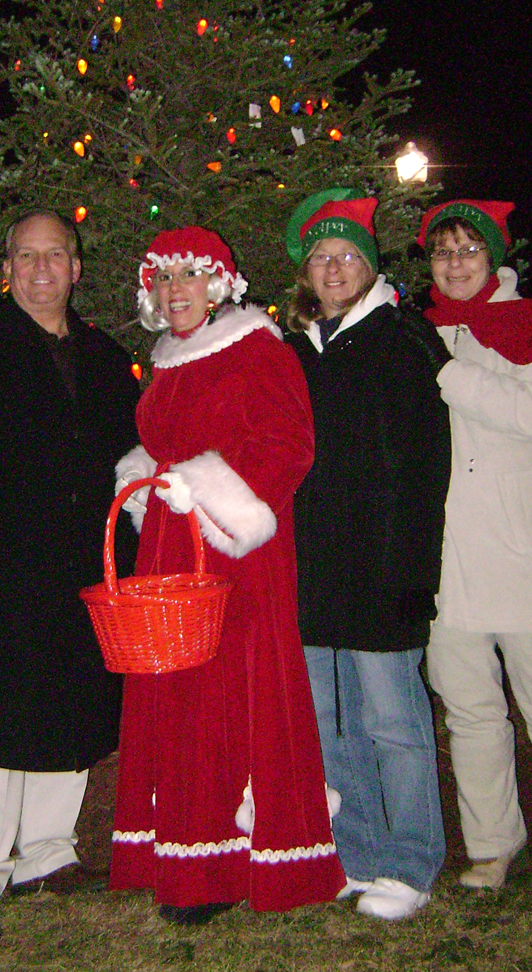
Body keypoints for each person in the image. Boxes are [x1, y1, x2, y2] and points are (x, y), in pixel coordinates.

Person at [0, 210, 141, 949]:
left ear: (76, 268)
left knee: (69, 705)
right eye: (26, 255)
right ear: (6, 267)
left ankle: (48, 852)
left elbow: (125, 461)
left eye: (56, 255)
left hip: (81, 566)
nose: (42, 268)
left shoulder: (108, 358)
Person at [110, 226, 345, 923]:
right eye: (163, 279)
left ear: (217, 285)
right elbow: (168, 441)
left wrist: (205, 491)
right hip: (173, 548)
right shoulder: (169, 360)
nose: (174, 291)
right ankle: (185, 856)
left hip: (236, 556)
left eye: (188, 276)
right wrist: (146, 477)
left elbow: (289, 447)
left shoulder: (256, 349)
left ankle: (224, 866)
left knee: (226, 696)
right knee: (179, 697)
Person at [418, 199, 532, 899]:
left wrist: (449, 370)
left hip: (523, 549)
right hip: (447, 559)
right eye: (444, 251)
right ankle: (494, 842)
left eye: (469, 248)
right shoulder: (423, 331)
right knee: (469, 710)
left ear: (493, 257)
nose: (457, 262)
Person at [285, 191, 451, 921]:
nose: (334, 268)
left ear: (369, 266)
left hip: (384, 570)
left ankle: (412, 859)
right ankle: (357, 854)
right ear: (306, 272)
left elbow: (427, 466)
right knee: (331, 726)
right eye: (322, 257)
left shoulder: (405, 337)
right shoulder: (297, 350)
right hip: (315, 574)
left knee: (394, 723)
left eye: (348, 256)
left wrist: (411, 568)